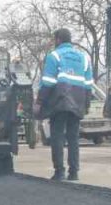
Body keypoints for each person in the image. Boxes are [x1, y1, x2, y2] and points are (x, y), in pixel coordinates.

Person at [35, 27, 93, 181]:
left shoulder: (54, 56)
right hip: (78, 100)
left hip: (59, 100)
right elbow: (88, 84)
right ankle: (74, 172)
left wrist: (39, 102)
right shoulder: (84, 58)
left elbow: (48, 82)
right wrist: (86, 104)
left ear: (58, 40)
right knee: (73, 137)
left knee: (57, 137)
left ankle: (59, 172)